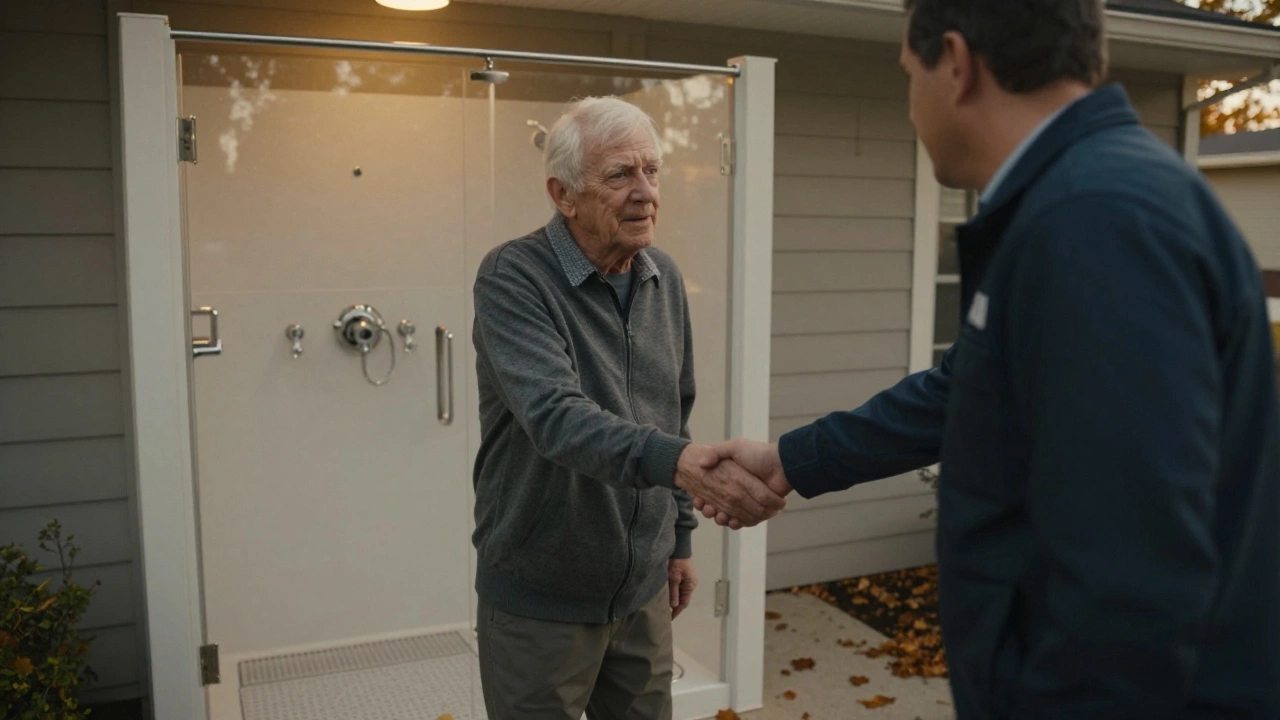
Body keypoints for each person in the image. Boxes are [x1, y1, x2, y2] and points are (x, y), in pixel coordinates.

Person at [696, 0, 1280, 717]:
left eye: (909, 75)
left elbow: (1131, 574)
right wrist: (792, 459)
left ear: (956, 62)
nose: (911, 107)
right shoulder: (1077, 201)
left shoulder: (1095, 221)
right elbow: (963, 389)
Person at [470, 96, 785, 720]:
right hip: (542, 595)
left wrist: (679, 540)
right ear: (564, 194)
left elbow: (673, 414)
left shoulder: (660, 275)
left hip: (642, 591)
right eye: (620, 175)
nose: (646, 192)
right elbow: (557, 417)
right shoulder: (513, 276)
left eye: (652, 170)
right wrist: (684, 466)